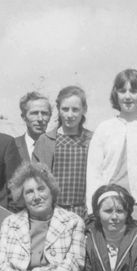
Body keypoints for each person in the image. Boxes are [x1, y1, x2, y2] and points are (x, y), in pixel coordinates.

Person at [87, 69, 137, 225]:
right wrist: (91, 210)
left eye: (133, 91)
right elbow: (93, 173)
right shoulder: (103, 128)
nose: (128, 96)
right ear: (116, 94)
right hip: (108, 205)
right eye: (122, 91)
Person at [33, 86, 94, 217]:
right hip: (53, 212)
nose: (70, 115)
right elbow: (37, 180)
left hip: (83, 212)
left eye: (75, 110)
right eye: (65, 109)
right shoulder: (45, 140)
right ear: (59, 110)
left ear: (84, 110)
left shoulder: (92, 140)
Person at [15, 91, 52, 162]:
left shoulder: (57, 147)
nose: (40, 119)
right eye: (34, 113)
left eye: (44, 113)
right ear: (23, 117)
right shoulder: (12, 146)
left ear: (50, 117)